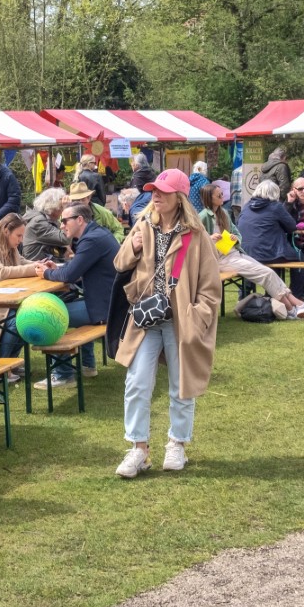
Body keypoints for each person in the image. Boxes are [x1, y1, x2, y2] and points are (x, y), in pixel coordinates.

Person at [112, 169, 221, 478]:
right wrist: (131, 248)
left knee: (182, 385)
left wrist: (198, 316)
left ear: (180, 197)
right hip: (146, 319)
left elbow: (212, 286)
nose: (155, 195)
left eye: (162, 190)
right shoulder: (142, 225)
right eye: (153, 190)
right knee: (137, 383)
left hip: (181, 322)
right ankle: (139, 449)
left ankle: (177, 443)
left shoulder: (196, 235)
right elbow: (119, 264)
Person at [198, 184, 304, 320]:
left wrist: (234, 238)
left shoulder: (224, 213)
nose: (223, 197)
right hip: (221, 259)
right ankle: (293, 309)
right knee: (267, 273)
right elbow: (196, 240)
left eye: (222, 194)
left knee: (267, 272)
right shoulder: (203, 216)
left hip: (233, 252)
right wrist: (209, 238)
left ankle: (298, 306)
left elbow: (237, 232)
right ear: (209, 198)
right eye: (219, 195)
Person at [37, 201, 121, 387]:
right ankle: (87, 364)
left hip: (105, 308)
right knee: (66, 306)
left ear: (80, 220)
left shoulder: (91, 240)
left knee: (50, 315)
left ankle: (63, 374)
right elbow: (77, 268)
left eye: (65, 221)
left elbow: (69, 276)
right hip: (109, 302)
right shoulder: (97, 234)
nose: (62, 225)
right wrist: (59, 267)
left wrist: (46, 273)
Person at [0, 212, 51, 362]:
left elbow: (21, 262)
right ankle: (2, 364)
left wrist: (41, 265)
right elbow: (0, 272)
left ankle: (9, 363)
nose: (21, 240)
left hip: (0, 301)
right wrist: (34, 270)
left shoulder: (8, 244)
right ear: (6, 230)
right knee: (20, 321)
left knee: (29, 318)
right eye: (18, 236)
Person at [237, 180, 302, 267]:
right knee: (300, 256)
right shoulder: (275, 206)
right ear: (275, 193)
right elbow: (292, 227)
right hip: (268, 254)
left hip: (245, 253)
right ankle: (295, 281)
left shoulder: (246, 207)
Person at [21, 187, 71, 263]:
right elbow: (65, 238)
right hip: (36, 267)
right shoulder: (38, 222)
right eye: (61, 207)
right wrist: (68, 210)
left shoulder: (48, 220)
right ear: (54, 207)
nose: (62, 211)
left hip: (45, 262)